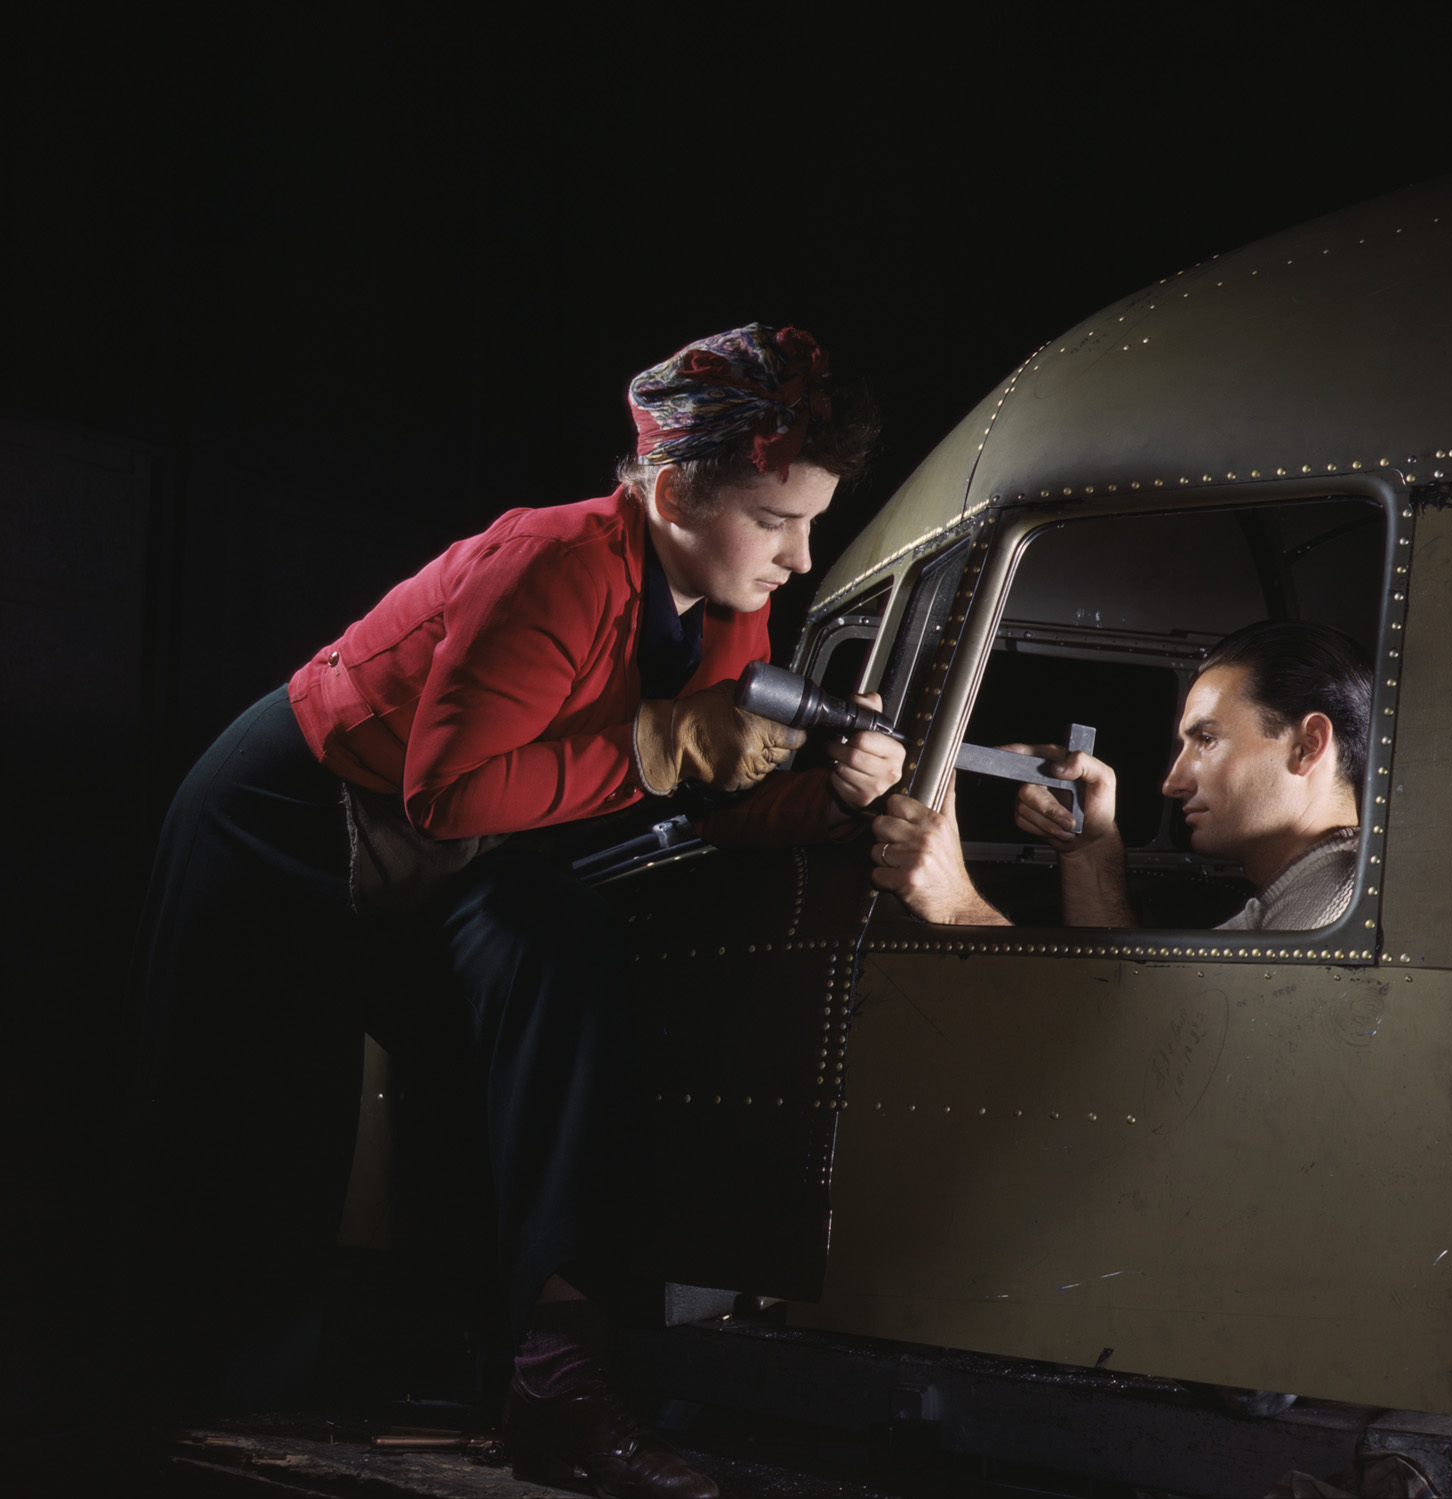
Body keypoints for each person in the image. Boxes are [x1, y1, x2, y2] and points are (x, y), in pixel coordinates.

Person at [128, 325, 905, 1498]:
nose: (801, 557)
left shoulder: (726, 600)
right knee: (262, 1145)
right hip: (284, 825)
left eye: (814, 520)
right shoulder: (555, 562)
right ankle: (185, 1423)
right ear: (676, 487)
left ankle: (555, 1383)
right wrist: (665, 743)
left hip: (448, 846)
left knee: (562, 956)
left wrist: (827, 800)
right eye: (779, 520)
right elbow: (449, 790)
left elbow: (711, 794)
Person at [869, 621, 1452, 1498]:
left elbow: (1153, 1078)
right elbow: (1149, 1013)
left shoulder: (1356, 910)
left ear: (1309, 742)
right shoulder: (1301, 900)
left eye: (1204, 739)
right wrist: (1093, 852)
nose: (1171, 778)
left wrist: (957, 905)